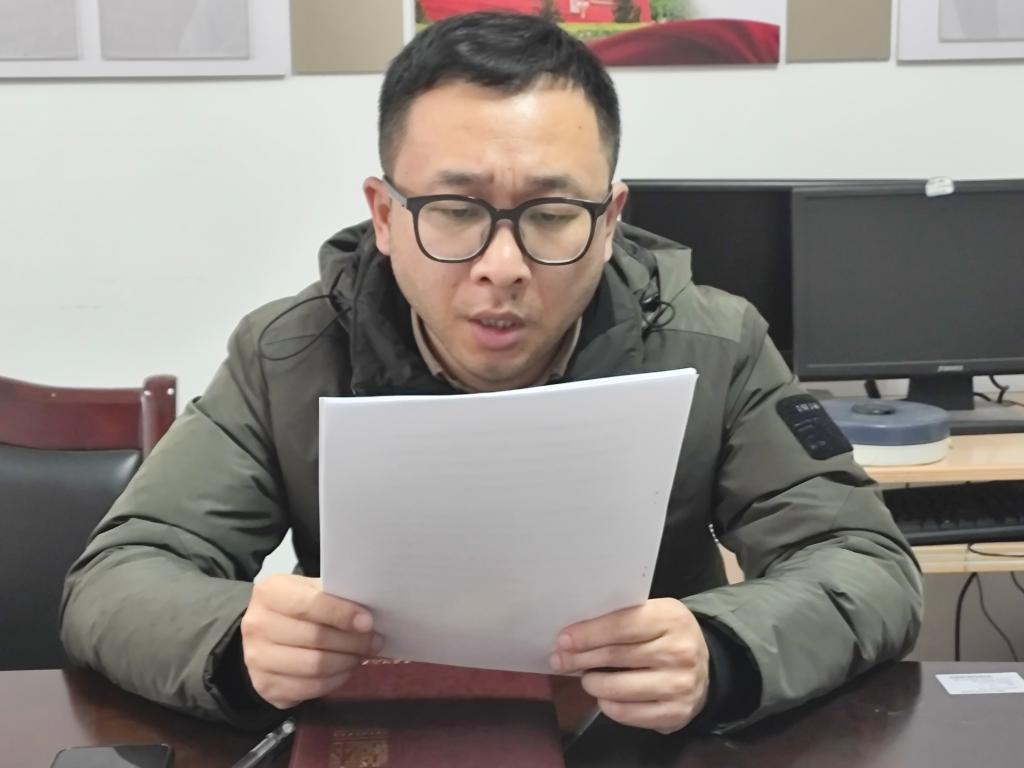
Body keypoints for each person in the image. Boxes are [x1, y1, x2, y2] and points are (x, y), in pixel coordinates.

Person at [60, 11, 922, 738]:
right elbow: (116, 578)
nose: (501, 266)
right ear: (384, 216)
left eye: (552, 214)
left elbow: (866, 563)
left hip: (638, 743)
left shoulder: (715, 345)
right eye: (454, 209)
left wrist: (722, 649)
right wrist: (234, 645)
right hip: (387, 734)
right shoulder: (288, 354)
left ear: (610, 220)